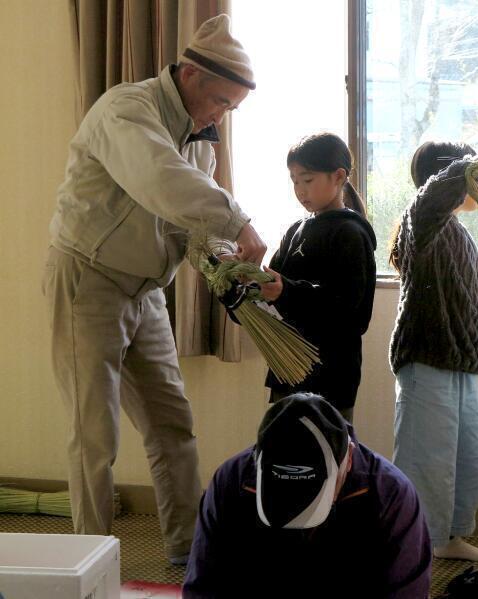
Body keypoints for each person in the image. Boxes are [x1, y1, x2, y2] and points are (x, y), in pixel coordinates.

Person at [42, 14, 267, 565]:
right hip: (88, 280)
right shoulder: (126, 109)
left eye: (232, 108)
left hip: (146, 292)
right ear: (189, 74)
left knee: (173, 424)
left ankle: (190, 552)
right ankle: (91, 562)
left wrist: (224, 260)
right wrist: (237, 220)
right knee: (95, 434)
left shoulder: (201, 141)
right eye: (220, 101)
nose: (220, 116)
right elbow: (161, 179)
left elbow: (187, 224)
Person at [182, 393, 432, 598]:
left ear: (348, 461)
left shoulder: (391, 497)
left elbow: (405, 593)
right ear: (257, 462)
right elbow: (203, 586)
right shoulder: (231, 482)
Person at [389, 141, 478, 562]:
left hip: (461, 363)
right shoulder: (423, 218)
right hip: (425, 360)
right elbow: (434, 196)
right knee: (426, 461)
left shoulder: (457, 231)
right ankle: (415, 547)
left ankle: (448, 537)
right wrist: (473, 164)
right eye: (474, 180)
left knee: (469, 458)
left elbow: (465, 290)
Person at [257, 133, 377, 422]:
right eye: (294, 181)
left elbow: (350, 313)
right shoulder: (294, 230)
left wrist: (286, 292)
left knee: (327, 450)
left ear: (338, 177)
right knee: (283, 448)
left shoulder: (351, 233)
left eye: (307, 180)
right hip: (286, 372)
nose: (300, 190)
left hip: (331, 376)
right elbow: (272, 294)